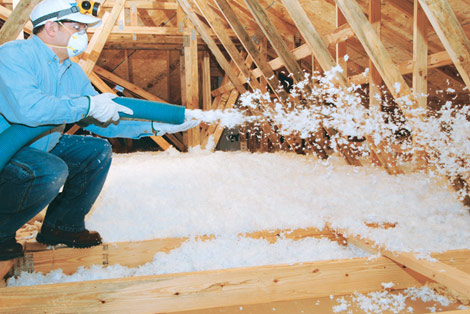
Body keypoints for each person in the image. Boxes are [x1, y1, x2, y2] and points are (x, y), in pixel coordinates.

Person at [0, 0, 199, 261]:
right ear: (50, 27)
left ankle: (63, 226)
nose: (82, 35)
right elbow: (29, 111)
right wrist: (87, 105)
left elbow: (96, 117)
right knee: (49, 169)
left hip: (41, 143)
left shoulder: (71, 71)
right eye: (76, 27)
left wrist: (152, 126)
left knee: (95, 151)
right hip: (8, 149)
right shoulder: (13, 55)